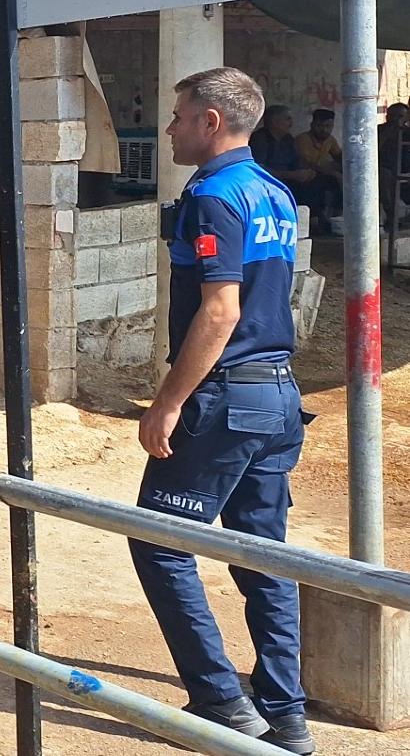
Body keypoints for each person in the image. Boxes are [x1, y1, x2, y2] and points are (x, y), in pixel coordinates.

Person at [133, 66, 313, 755]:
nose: (171, 127)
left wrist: (167, 402)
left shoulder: (211, 196)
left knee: (157, 539)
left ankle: (219, 700)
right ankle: (286, 712)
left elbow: (220, 309)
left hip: (227, 396)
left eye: (178, 115)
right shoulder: (271, 190)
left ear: (211, 120)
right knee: (261, 550)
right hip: (277, 392)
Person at [288, 108, 342, 233]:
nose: (324, 130)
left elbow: (339, 156)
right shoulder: (303, 139)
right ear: (312, 125)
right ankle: (316, 222)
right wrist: (332, 172)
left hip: (324, 176)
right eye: (320, 126)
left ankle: (337, 219)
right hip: (304, 177)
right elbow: (306, 163)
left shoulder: (330, 140)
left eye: (328, 126)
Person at [249, 105, 301, 180]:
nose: (291, 124)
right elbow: (258, 168)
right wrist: (288, 175)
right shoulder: (259, 139)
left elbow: (296, 161)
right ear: (275, 121)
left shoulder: (288, 139)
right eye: (288, 119)